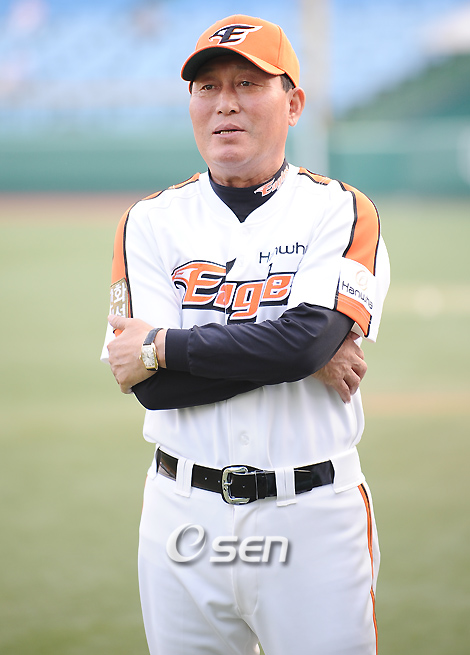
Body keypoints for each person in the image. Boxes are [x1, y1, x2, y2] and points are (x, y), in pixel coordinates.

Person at [101, 14, 390, 655]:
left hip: (311, 514)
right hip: (182, 516)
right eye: (207, 87)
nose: (225, 103)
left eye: (248, 83)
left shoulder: (341, 210)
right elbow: (153, 390)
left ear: (294, 104)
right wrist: (295, 350)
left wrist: (162, 346)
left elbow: (302, 345)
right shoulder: (148, 222)